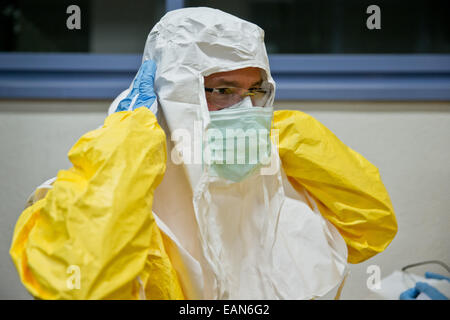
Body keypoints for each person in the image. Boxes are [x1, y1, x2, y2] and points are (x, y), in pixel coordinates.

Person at [10, 7, 397, 300]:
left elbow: (369, 228)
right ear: (172, 94)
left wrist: (292, 137)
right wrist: (124, 147)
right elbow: (82, 288)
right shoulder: (91, 198)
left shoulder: (281, 185)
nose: (244, 111)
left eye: (255, 92)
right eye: (222, 90)